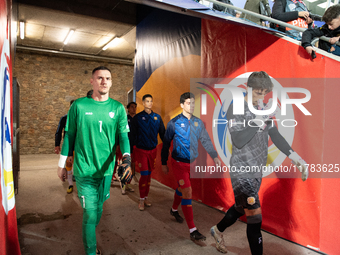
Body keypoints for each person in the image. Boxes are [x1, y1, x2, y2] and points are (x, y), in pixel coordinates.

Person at [209, 71, 308, 254]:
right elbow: (237, 140)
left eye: (264, 93)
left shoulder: (262, 109)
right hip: (241, 171)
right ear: (248, 88)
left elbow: (275, 135)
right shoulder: (236, 107)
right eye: (257, 93)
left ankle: (217, 230)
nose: (260, 97)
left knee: (241, 207)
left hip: (256, 170)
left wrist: (296, 157)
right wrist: (256, 123)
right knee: (255, 219)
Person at [57, 66, 131, 255]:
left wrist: (127, 159)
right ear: (92, 81)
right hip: (84, 170)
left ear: (111, 82)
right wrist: (61, 164)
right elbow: (70, 135)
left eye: (107, 78)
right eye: (99, 78)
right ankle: (91, 251)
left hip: (106, 171)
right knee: (90, 214)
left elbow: (123, 137)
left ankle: (91, 234)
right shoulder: (79, 106)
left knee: (98, 210)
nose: (104, 81)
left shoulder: (118, 108)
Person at [161, 92, 221, 242]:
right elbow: (166, 144)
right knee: (188, 192)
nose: (192, 106)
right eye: (188, 103)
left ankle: (174, 210)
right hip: (178, 164)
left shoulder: (198, 123)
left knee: (182, 189)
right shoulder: (173, 123)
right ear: (182, 105)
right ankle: (193, 230)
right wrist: (163, 162)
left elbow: (206, 140)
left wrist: (214, 156)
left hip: (192, 164)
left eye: (193, 103)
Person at [130, 94, 165, 211]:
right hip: (141, 150)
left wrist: (167, 147)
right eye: (147, 101)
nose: (149, 103)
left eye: (151, 101)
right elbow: (132, 135)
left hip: (152, 151)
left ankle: (145, 197)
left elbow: (163, 134)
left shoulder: (157, 117)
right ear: (143, 103)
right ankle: (141, 199)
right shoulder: (137, 118)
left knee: (149, 175)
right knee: (144, 175)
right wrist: (130, 151)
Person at [55, 99, 75, 194]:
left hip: (80, 147)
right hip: (69, 147)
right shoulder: (65, 118)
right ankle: (70, 184)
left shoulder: (82, 118)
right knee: (68, 165)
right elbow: (58, 132)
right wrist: (57, 144)